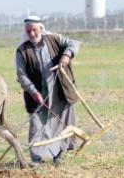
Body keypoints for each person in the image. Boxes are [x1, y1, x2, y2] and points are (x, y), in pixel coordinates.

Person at [15, 15, 80, 166]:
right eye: (28, 31)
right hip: (38, 96)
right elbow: (21, 75)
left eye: (34, 30)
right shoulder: (22, 51)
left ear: (41, 29)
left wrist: (66, 56)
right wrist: (33, 92)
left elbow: (74, 44)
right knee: (37, 126)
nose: (32, 34)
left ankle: (58, 155)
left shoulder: (54, 39)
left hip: (60, 91)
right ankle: (36, 159)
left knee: (61, 124)